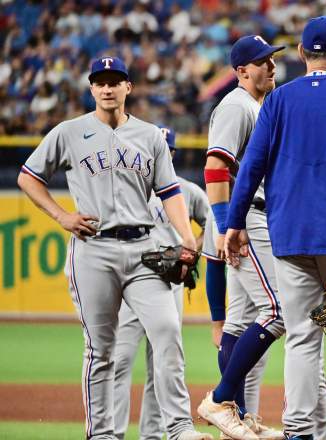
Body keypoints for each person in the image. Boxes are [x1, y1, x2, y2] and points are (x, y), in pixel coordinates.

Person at [17, 56, 211, 440]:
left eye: (115, 81)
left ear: (128, 88)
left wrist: (187, 237)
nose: (107, 88)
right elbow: (28, 177)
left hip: (144, 249)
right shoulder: (69, 132)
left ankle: (177, 428)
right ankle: (102, 434)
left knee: (168, 331)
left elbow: (169, 190)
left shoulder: (150, 135)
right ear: (92, 89)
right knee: (101, 350)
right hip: (94, 248)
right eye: (100, 82)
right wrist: (61, 216)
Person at [218, 17, 326, 440]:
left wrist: (234, 222)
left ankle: (298, 431)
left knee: (301, 337)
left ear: (300, 54)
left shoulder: (278, 100)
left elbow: (250, 166)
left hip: (288, 236)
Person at [195, 35, 288, 440]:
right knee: (279, 310)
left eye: (271, 60)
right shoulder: (236, 105)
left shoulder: (255, 105)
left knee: (239, 321)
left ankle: (239, 415)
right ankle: (220, 398)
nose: (270, 66)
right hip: (245, 220)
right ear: (240, 71)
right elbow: (215, 169)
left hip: (247, 217)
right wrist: (224, 225)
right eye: (261, 61)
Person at [111, 127, 209, 440]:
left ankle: (151, 435)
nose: (163, 153)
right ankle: (111, 433)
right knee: (119, 359)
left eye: (168, 149)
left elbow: (212, 222)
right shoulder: (127, 188)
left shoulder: (188, 191)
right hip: (130, 281)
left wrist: (191, 252)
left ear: (174, 154)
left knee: (162, 362)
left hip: (169, 285)